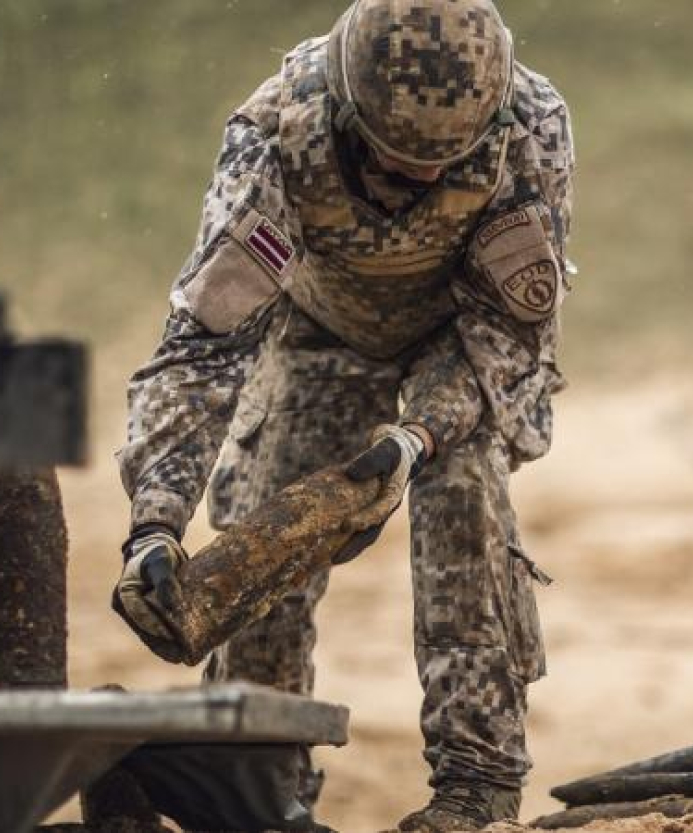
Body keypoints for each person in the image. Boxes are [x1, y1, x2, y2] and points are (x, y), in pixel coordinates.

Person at [114, 0, 574, 829]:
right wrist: (154, 524)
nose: (427, 180)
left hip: (455, 339)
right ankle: (260, 793)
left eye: (447, 162)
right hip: (314, 327)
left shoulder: (529, 123)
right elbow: (205, 348)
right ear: (351, 118)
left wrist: (416, 438)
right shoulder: (278, 133)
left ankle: (476, 785)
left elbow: (510, 335)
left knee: (464, 506)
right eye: (402, 163)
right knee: (268, 530)